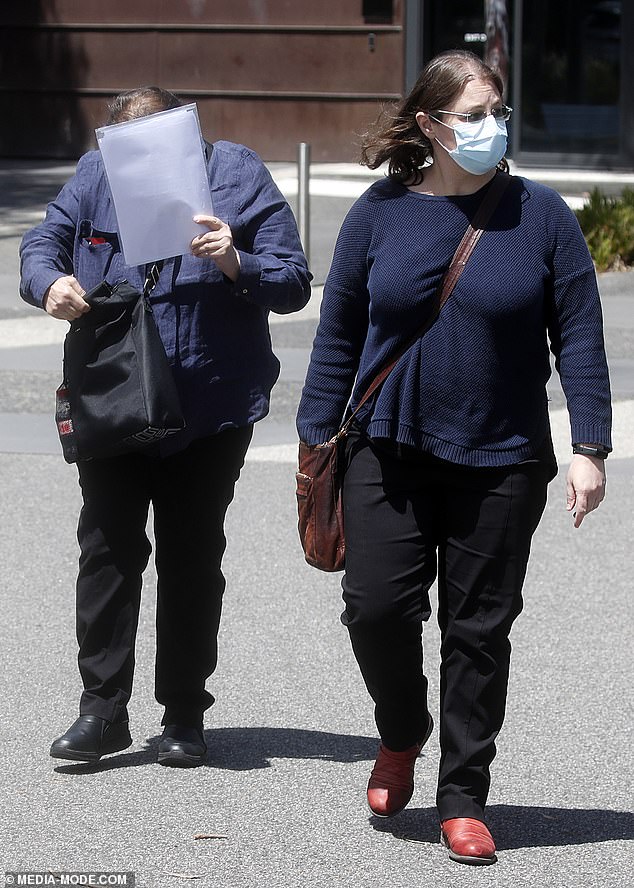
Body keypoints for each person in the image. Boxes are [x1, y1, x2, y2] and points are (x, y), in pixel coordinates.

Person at [296, 51, 611, 865]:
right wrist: (312, 440)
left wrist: (588, 447)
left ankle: (464, 794)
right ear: (430, 125)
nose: (489, 126)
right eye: (471, 114)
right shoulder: (379, 213)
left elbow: (578, 335)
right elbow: (337, 336)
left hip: (502, 456)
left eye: (495, 109)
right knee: (375, 607)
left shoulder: (541, 216)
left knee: (480, 631)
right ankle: (402, 729)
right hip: (386, 447)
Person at [20, 86, 311, 767]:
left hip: (208, 406)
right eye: (124, 154)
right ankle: (101, 712)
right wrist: (48, 282)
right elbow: (44, 240)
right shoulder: (97, 173)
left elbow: (294, 281)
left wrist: (235, 260)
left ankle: (184, 712)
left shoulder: (238, 174)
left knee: (191, 555)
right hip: (115, 396)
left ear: (186, 138)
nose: (137, 165)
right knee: (107, 548)